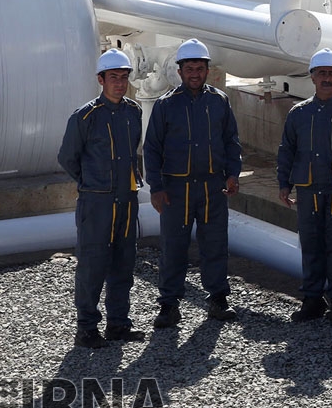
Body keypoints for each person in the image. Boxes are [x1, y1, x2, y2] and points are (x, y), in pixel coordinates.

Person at [144, 38, 242, 327]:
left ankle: (218, 300)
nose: (195, 74)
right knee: (173, 247)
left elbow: (231, 141)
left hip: (212, 187)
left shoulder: (219, 101)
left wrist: (233, 173)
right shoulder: (166, 105)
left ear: (207, 70)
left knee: (215, 244)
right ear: (180, 70)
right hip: (176, 189)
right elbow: (152, 148)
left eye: (200, 68)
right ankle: (169, 305)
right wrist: (156, 187)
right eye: (189, 69)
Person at [58, 48, 146, 349]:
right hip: (96, 203)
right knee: (92, 265)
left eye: (124, 77)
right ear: (100, 79)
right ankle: (86, 328)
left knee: (124, 261)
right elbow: (68, 157)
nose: (119, 83)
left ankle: (118, 324)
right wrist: (92, 184)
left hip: (126, 199)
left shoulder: (133, 112)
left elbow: (132, 152)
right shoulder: (85, 116)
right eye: (113, 78)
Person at [276, 48, 332, 323]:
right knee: (310, 244)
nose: (326, 78)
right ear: (312, 77)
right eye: (322, 73)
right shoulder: (299, 113)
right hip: (308, 190)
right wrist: (284, 184)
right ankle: (312, 299)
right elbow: (287, 149)